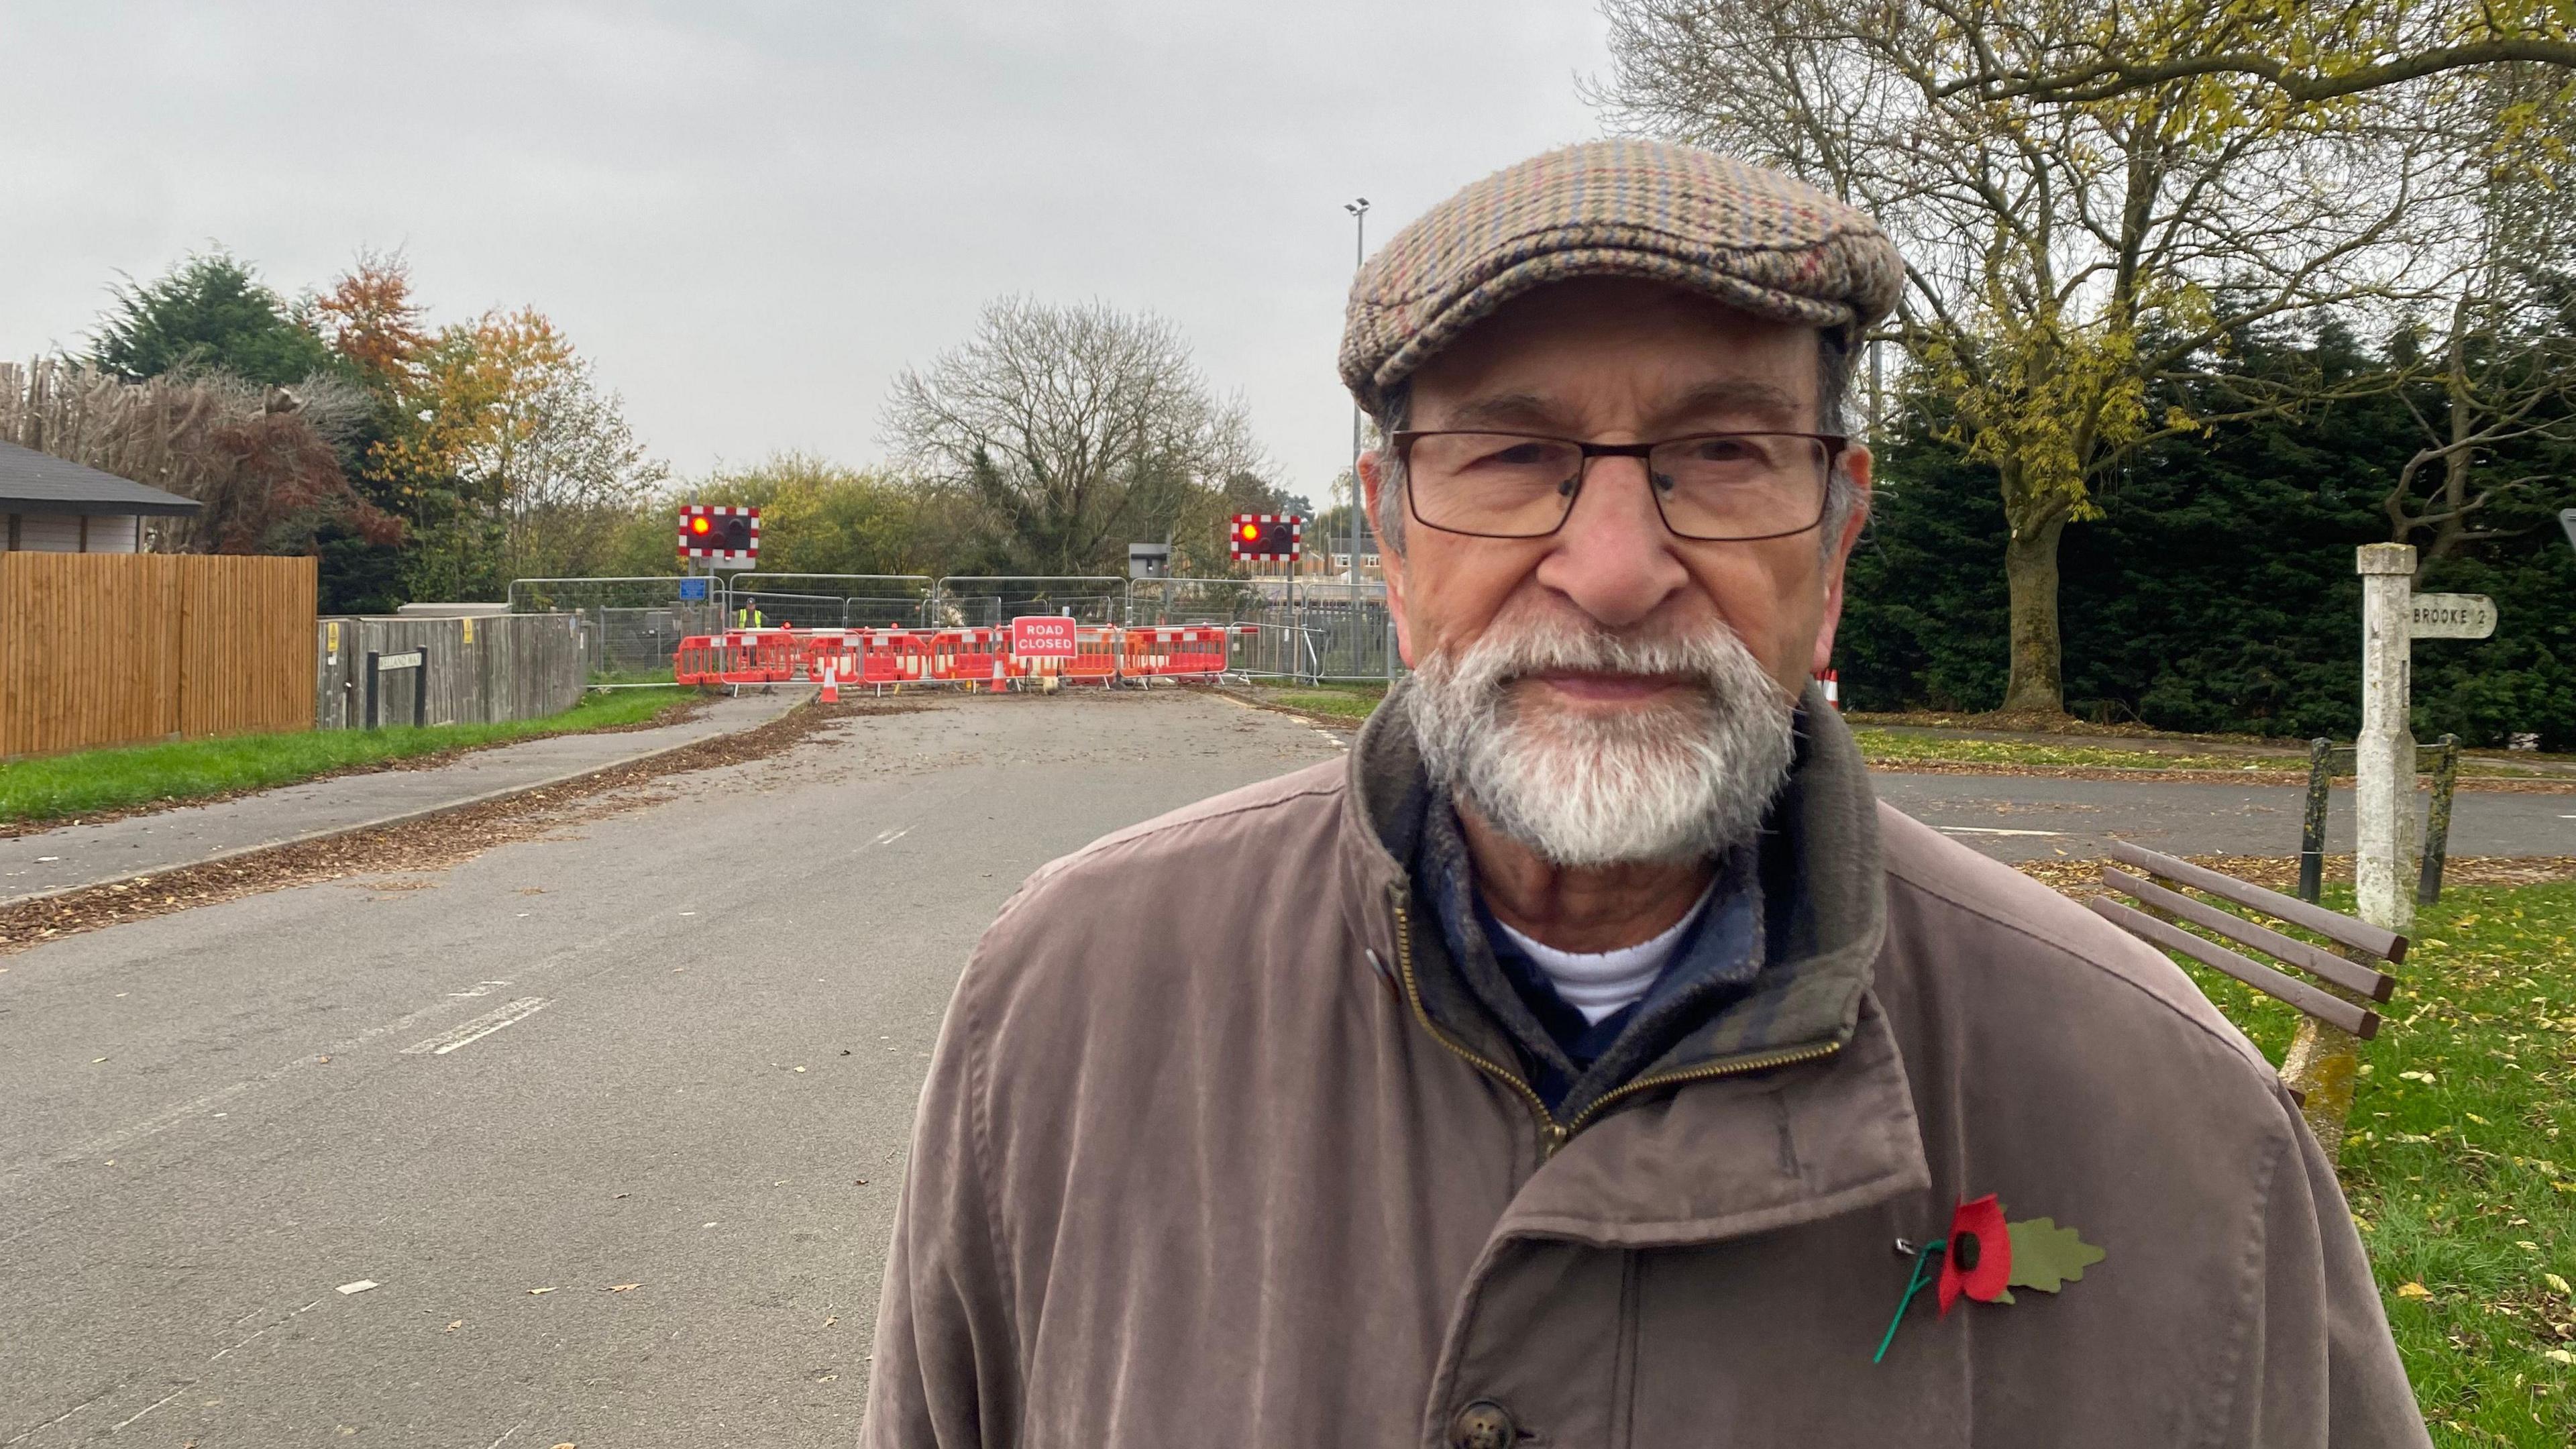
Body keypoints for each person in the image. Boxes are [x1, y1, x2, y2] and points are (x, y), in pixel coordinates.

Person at [861, 140, 2426, 1447]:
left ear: (1837, 539)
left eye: (1726, 451)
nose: (1612, 570)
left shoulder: (2179, 1133)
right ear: (1393, 540)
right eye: (1508, 454)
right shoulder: (1070, 1006)